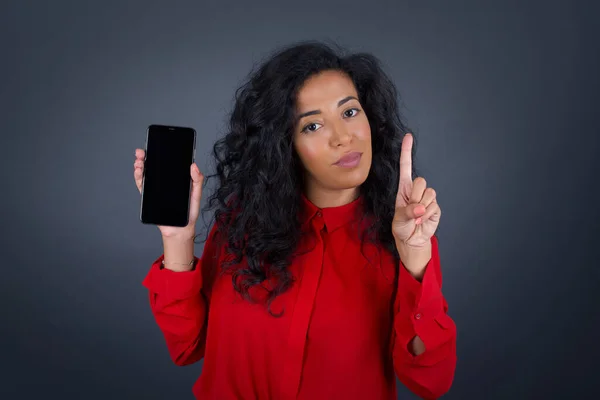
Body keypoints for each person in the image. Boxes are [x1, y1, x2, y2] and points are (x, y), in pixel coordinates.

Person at [133, 41, 457, 400]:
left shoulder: (405, 239)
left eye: (349, 113)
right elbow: (186, 347)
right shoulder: (242, 222)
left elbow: (431, 382)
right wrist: (177, 239)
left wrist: (415, 261)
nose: (343, 138)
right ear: (283, 143)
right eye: (313, 126)